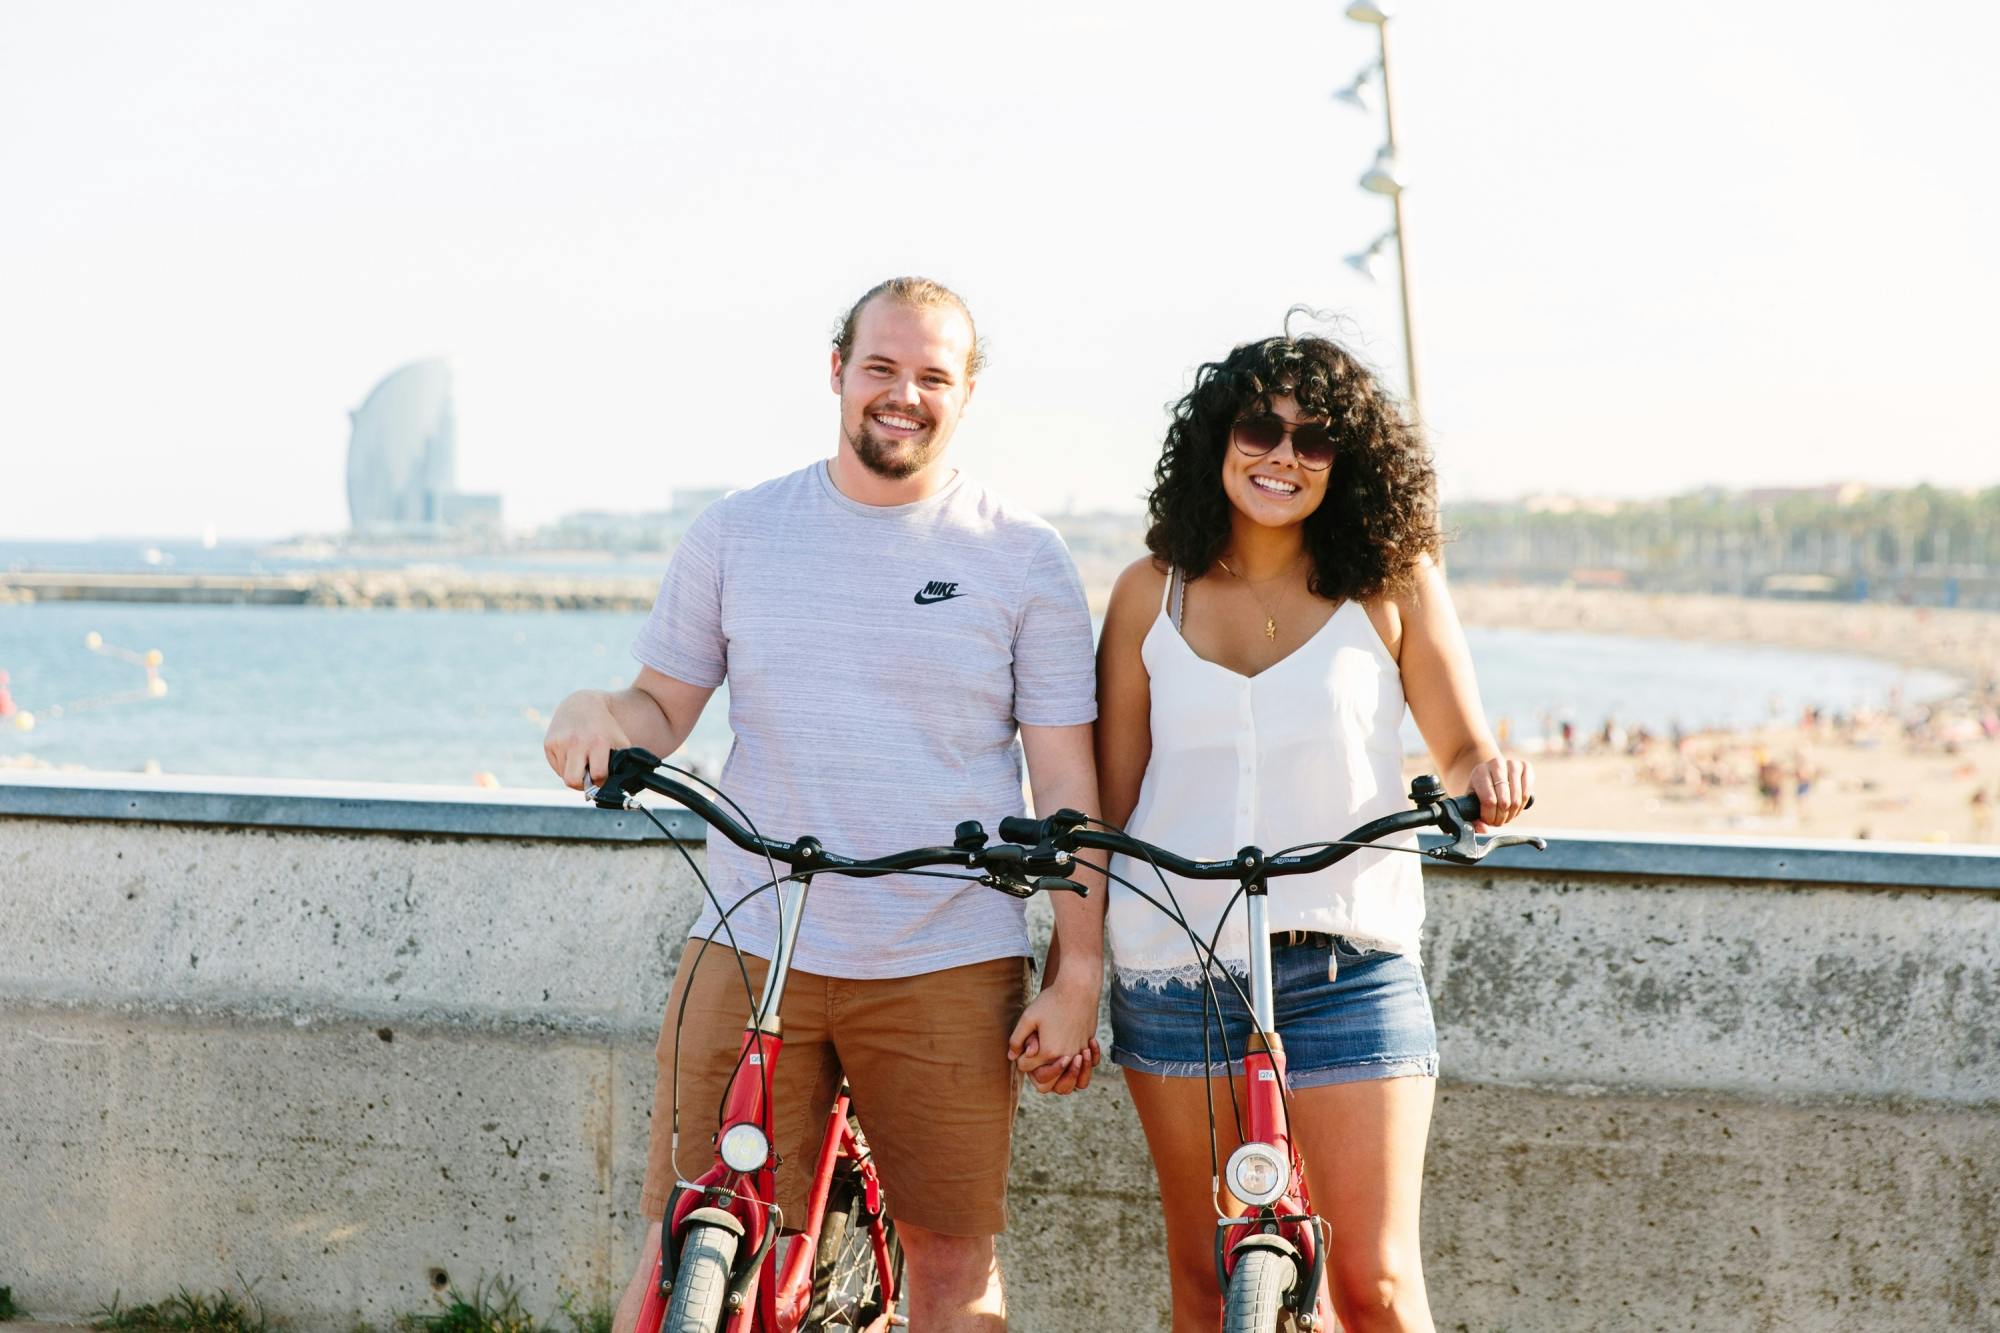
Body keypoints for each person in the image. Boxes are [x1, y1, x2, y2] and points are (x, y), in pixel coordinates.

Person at [543, 277, 1104, 1332]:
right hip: (753, 935)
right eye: (881, 367)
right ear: (836, 371)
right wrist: (590, 709)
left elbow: (1066, 783)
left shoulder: (1020, 554)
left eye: (932, 375)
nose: (903, 395)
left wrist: (1079, 970)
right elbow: (658, 705)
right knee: (690, 1229)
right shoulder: (739, 531)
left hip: (947, 947)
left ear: (965, 393)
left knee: (949, 1260)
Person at [1093, 327, 1532, 1332]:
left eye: (1314, 439)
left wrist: (1490, 777)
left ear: (1349, 462)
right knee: (1205, 1281)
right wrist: (1070, 969)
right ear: (1217, 439)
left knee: (1373, 1286)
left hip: (1348, 966)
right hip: (1172, 971)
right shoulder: (1144, 593)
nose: (1281, 454)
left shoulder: (1392, 582)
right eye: (1258, 426)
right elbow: (1102, 814)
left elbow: (1460, 749)